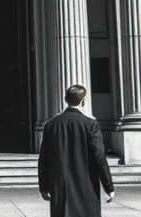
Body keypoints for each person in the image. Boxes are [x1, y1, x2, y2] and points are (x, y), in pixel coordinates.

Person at [38, 85, 114, 217]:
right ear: (83, 101)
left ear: (65, 99)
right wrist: (108, 186)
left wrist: (44, 186)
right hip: (86, 186)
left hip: (60, 188)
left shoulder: (50, 125)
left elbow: (43, 159)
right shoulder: (91, 125)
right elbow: (99, 157)